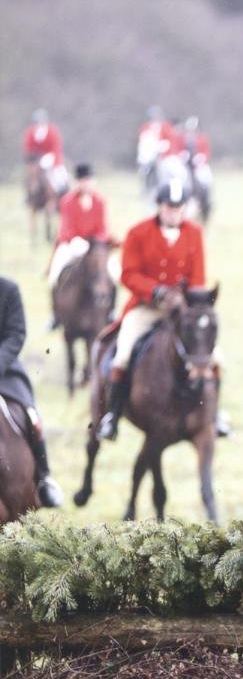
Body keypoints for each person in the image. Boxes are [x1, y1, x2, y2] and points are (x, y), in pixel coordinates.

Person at [96, 179, 228, 441]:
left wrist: (184, 298)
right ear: (159, 207)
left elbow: (198, 277)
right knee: (122, 353)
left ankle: (215, 414)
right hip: (145, 308)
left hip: (183, 313)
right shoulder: (138, 233)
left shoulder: (194, 233)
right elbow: (128, 274)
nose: (174, 213)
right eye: (169, 207)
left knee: (216, 359)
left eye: (179, 208)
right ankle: (112, 414)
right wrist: (156, 291)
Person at [0, 276, 64, 507]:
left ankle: (44, 479)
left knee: (32, 416)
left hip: (4, 372)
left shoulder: (8, 289)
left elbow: (16, 334)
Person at [47, 164, 119, 326]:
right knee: (55, 272)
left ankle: (112, 310)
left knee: (114, 273)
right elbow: (65, 227)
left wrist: (96, 241)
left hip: (95, 245)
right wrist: (75, 239)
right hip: (72, 243)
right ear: (78, 182)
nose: (86, 184)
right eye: (83, 180)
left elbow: (102, 228)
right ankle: (55, 315)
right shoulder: (67, 201)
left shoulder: (100, 201)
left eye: (89, 180)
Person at [22, 108, 68, 196]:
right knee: (31, 175)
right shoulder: (31, 132)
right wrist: (32, 158)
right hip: (36, 158)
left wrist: (51, 158)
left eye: (41, 122)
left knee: (60, 175)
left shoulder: (52, 131)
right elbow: (28, 147)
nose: (39, 124)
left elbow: (56, 147)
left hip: (52, 157)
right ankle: (27, 196)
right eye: (37, 122)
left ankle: (62, 191)